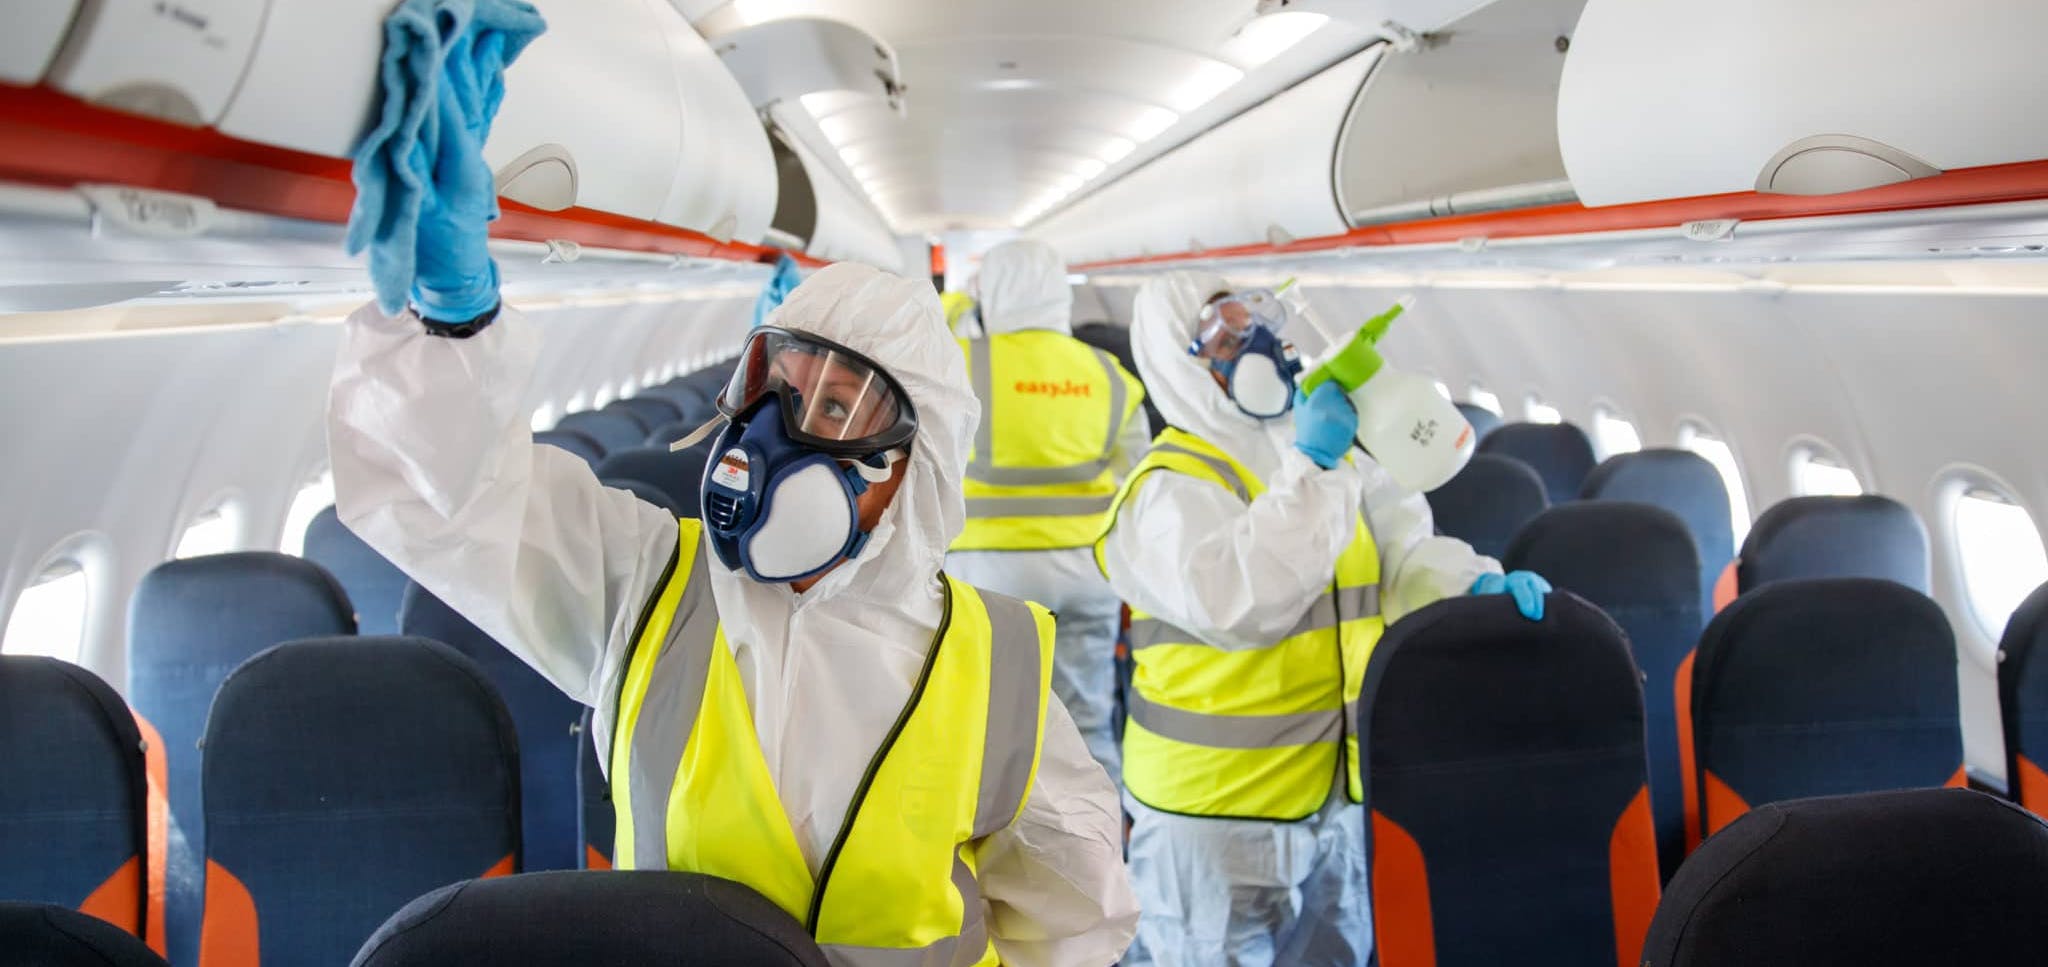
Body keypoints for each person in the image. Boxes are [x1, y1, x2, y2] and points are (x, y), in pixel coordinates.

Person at [328, 18, 1137, 962]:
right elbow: (458, 501)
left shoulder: (993, 666)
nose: (775, 437)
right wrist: (452, 322)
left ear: (909, 471)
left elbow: (1077, 919)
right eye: (773, 392)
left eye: (834, 407)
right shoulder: (647, 589)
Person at [1095, 271, 1549, 966]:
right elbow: (1245, 601)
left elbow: (1400, 555)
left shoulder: (1326, 456)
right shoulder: (1167, 488)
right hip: (1212, 822)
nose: (1257, 346)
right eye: (1227, 338)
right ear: (1178, 364)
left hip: (1334, 802)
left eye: (1256, 326)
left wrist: (1474, 586)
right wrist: (1313, 465)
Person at [945, 238, 1150, 783]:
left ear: (992, 292)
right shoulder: (1109, 373)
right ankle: (1099, 831)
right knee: (1087, 723)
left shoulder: (960, 362)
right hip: (1089, 572)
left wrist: (960, 306)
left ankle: (996, 832)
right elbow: (1138, 477)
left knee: (988, 723)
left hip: (988, 576)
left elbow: (913, 345)